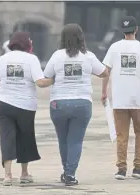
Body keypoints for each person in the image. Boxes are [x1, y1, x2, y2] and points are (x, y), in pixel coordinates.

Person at [0, 31, 53, 186]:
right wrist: (54, 79)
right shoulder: (31, 59)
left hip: (4, 104)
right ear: (26, 43)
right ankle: (24, 173)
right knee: (25, 137)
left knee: (7, 138)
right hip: (25, 106)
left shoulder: (2, 60)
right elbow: (40, 82)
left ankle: (7, 176)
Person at [44, 23, 109, 186]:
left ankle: (66, 170)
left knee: (63, 140)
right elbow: (104, 73)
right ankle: (70, 174)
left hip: (58, 103)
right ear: (81, 38)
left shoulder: (57, 56)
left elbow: (47, 76)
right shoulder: (88, 56)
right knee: (75, 141)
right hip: (82, 103)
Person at [101, 16, 140, 180]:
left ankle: (121, 169)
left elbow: (105, 71)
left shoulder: (114, 48)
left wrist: (104, 92)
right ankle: (138, 167)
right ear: (136, 29)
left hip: (119, 98)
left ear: (121, 31)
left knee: (121, 134)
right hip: (138, 98)